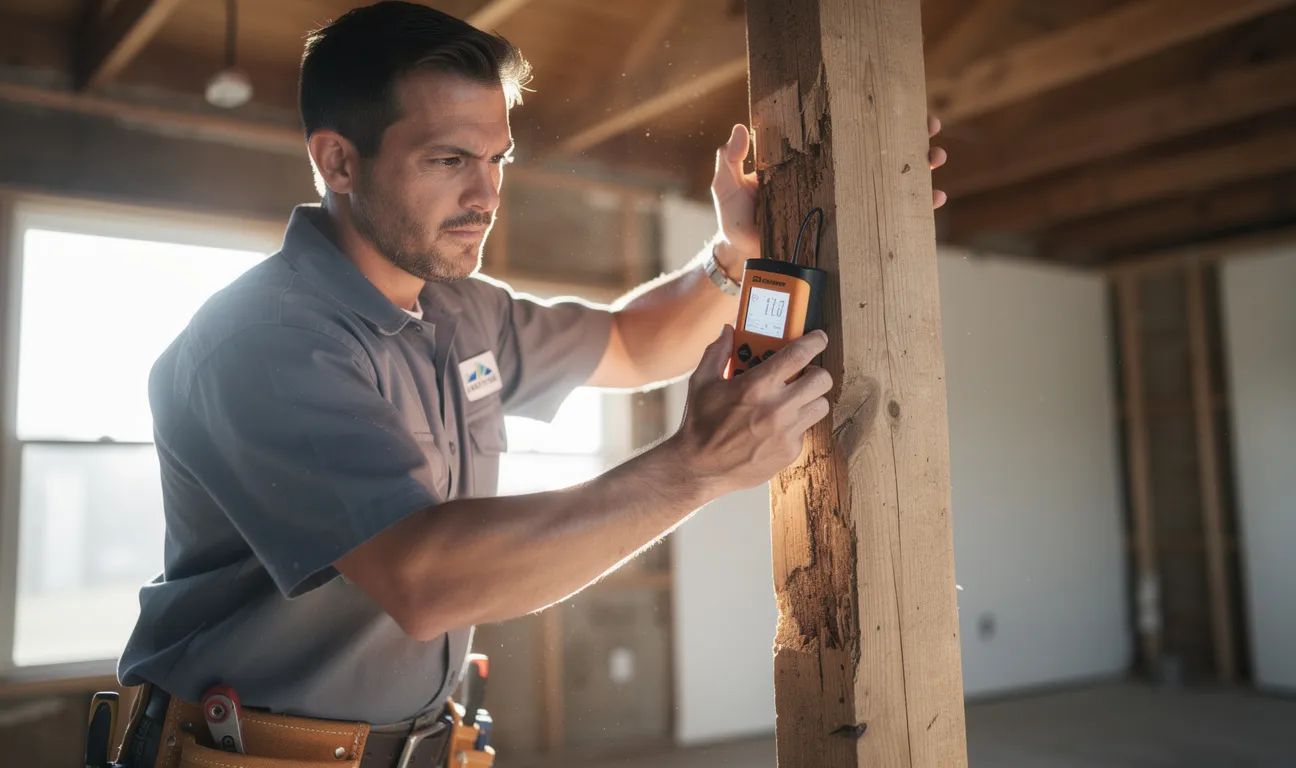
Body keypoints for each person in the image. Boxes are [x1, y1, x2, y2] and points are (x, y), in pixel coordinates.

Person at [112, 1, 946, 764]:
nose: (486, 195)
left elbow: (627, 343)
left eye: (497, 158)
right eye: (448, 160)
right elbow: (425, 580)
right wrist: (693, 468)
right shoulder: (263, 341)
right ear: (338, 160)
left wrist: (732, 254)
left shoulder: (460, 311)